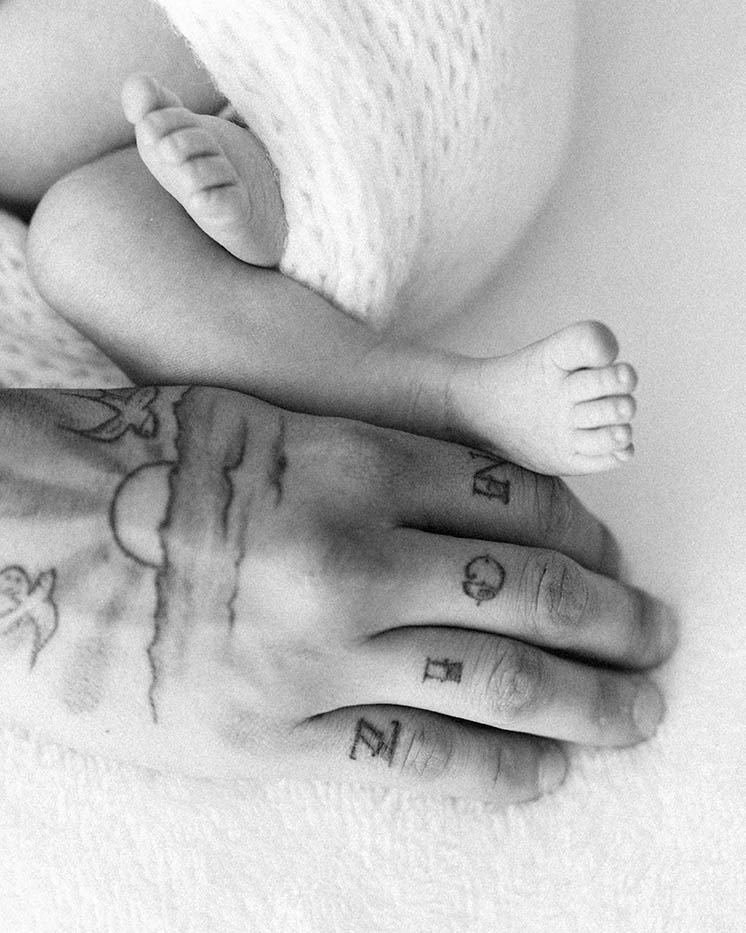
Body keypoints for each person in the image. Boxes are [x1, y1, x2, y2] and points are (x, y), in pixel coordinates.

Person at [0, 0, 673, 801]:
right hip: (412, 109)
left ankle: (428, 370)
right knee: (87, 235)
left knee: (81, 227)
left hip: (407, 73)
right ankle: (445, 387)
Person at [11, 0, 635, 477]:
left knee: (62, 187)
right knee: (84, 240)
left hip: (413, 73)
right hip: (420, 142)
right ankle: (262, 179)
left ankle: (270, 173)